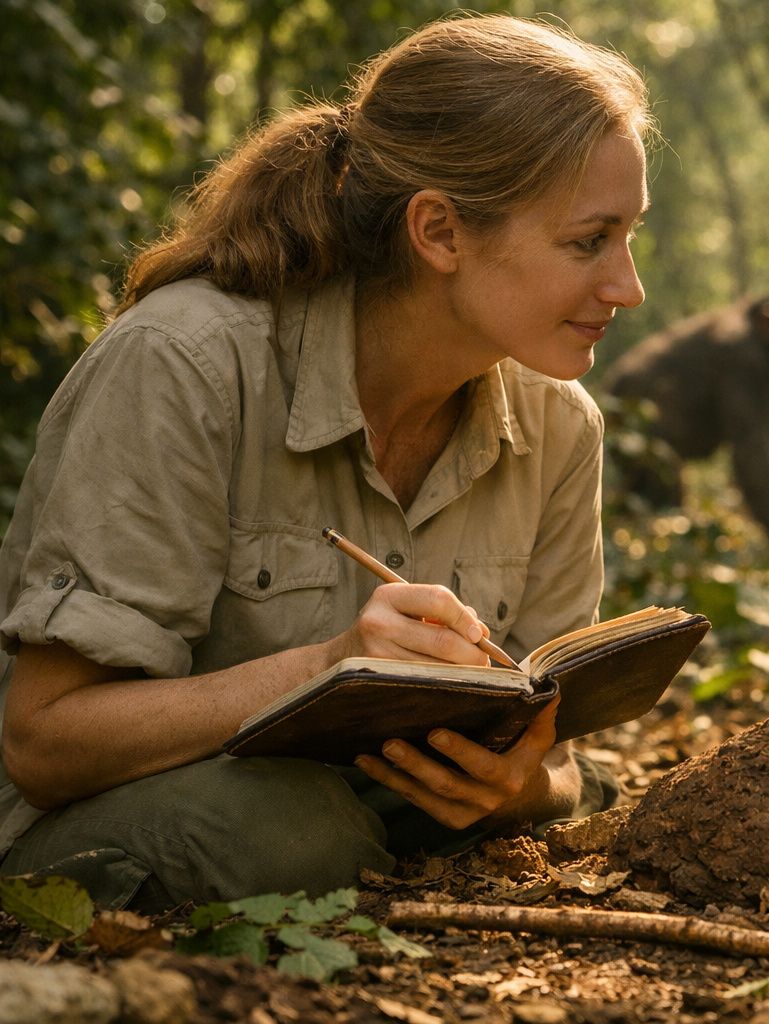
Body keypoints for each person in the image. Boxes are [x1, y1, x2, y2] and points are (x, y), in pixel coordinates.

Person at [0, 14, 651, 910]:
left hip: (356, 794)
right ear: (439, 232)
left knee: (587, 802)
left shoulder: (559, 427)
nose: (627, 286)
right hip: (90, 815)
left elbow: (558, 756)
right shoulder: (186, 364)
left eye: (629, 238)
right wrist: (331, 667)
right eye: (589, 241)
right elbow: (44, 742)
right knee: (292, 832)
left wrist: (527, 789)